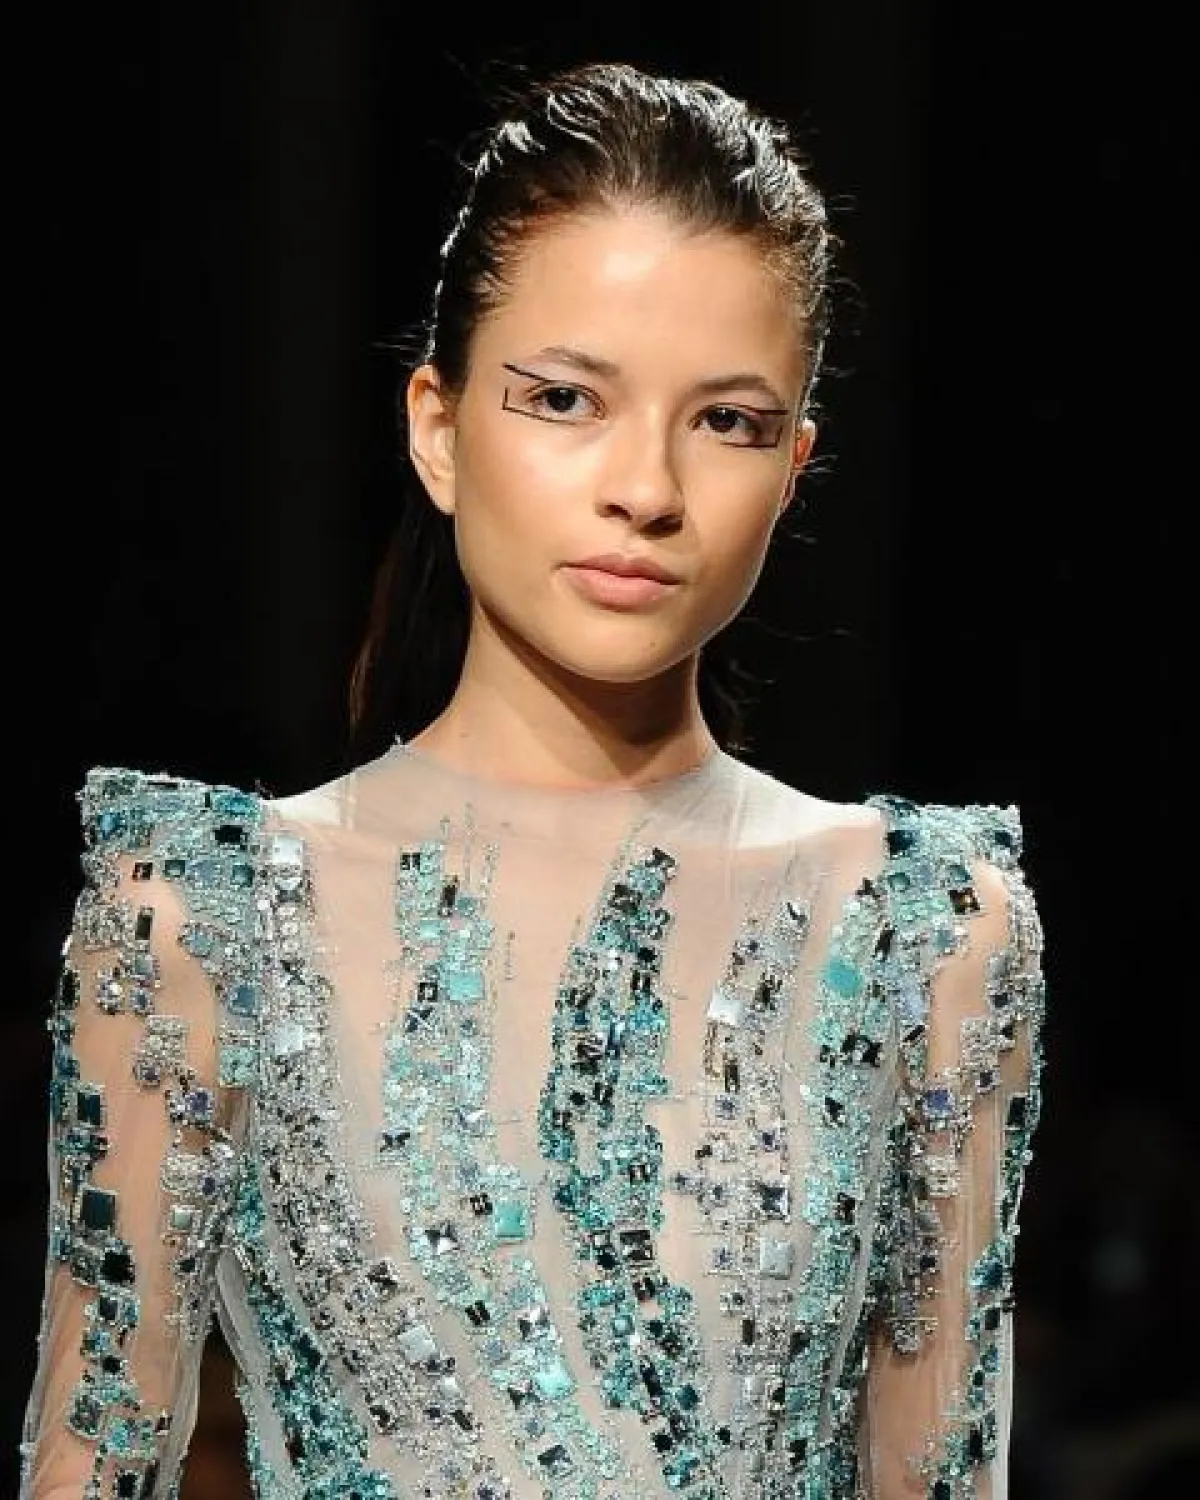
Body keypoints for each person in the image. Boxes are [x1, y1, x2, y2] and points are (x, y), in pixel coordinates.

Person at [19, 60, 1047, 1500]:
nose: (649, 489)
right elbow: (93, 1461)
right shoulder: (206, 924)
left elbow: (939, 1471)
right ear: (437, 428)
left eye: (729, 421)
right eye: (566, 398)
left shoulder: (929, 936)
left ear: (796, 465)